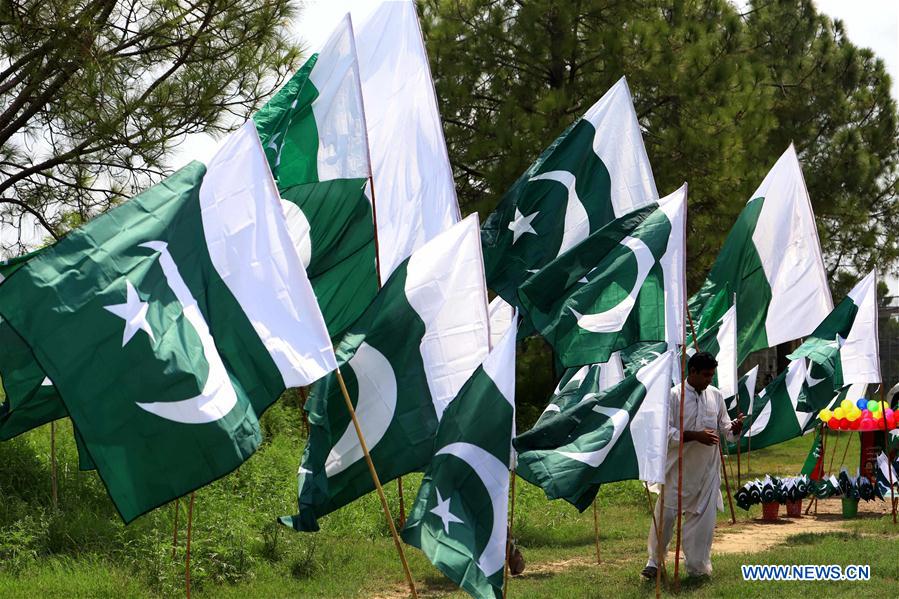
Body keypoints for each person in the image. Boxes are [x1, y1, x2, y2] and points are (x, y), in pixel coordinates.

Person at [641, 351, 743, 580]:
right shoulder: (673, 396)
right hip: (677, 469)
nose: (709, 380)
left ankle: (697, 567)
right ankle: (654, 562)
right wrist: (694, 435)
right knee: (666, 518)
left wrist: (734, 429)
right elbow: (662, 433)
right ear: (692, 372)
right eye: (705, 375)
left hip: (707, 471)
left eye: (712, 375)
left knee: (702, 523)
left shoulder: (715, 396)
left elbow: (725, 429)